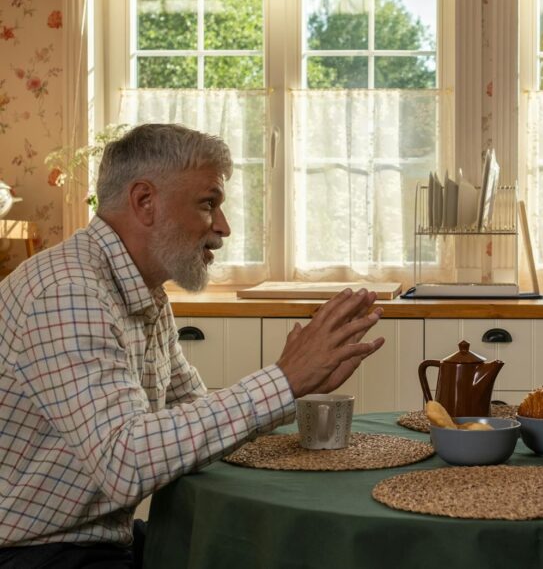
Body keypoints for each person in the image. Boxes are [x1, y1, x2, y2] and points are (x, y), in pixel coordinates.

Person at [0, 123, 386, 567]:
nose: (222, 227)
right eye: (208, 204)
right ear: (145, 202)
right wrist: (284, 380)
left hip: (95, 540)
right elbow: (126, 461)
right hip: (37, 552)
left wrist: (296, 384)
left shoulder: (143, 292)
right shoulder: (68, 293)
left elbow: (192, 408)